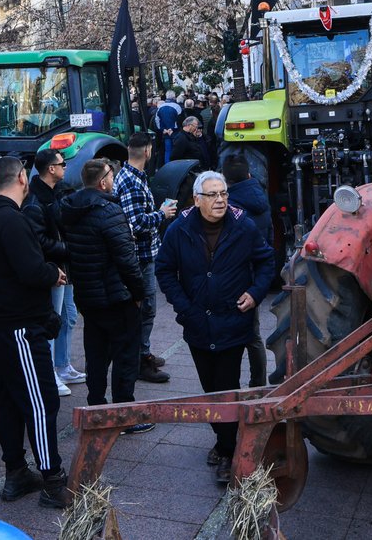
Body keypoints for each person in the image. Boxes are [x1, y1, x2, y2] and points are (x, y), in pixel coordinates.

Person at [156, 171, 275, 484]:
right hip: (197, 324)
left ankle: (227, 451)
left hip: (232, 321)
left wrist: (255, 293)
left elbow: (266, 261)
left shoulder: (243, 226)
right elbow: (164, 270)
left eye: (223, 193)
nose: (220, 200)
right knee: (210, 388)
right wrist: (184, 307)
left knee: (226, 386)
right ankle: (223, 439)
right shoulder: (180, 229)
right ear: (197, 200)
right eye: (212, 194)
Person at [0, 157, 70, 508]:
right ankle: (53, 481)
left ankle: (16, 474)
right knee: (42, 401)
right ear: (21, 179)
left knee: (10, 401)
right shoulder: (11, 219)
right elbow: (30, 270)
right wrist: (52, 273)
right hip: (17, 327)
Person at [59, 159, 156, 434]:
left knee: (96, 355)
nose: (114, 180)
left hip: (88, 297)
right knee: (125, 357)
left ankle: (96, 410)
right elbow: (126, 259)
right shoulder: (109, 210)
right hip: (117, 298)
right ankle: (123, 416)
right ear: (103, 182)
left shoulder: (70, 209)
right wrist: (138, 293)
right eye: (111, 175)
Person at [114, 133, 177, 383]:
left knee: (145, 309)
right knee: (145, 309)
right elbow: (137, 223)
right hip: (140, 256)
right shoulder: (131, 181)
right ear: (148, 151)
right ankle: (140, 359)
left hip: (143, 253)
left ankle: (143, 352)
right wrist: (162, 214)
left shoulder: (133, 176)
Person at [26, 149, 83, 397]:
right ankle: (48, 373)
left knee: (68, 316)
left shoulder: (58, 192)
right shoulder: (35, 201)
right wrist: (68, 248)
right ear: (51, 169)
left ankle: (63, 365)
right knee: (52, 321)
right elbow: (38, 241)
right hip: (53, 268)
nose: (65, 167)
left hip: (65, 266)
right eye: (62, 164)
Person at [222, 155, 271, 388]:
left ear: (226, 180)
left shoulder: (230, 206)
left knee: (230, 334)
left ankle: (228, 386)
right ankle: (258, 383)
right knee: (253, 335)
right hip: (254, 275)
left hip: (235, 275)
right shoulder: (260, 198)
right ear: (249, 174)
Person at [156, 91, 182, 164]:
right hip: (175, 133)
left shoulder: (160, 107)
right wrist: (172, 129)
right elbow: (179, 120)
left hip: (166, 133)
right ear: (174, 97)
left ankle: (167, 166)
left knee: (167, 151)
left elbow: (157, 120)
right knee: (176, 151)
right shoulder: (177, 106)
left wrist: (163, 129)